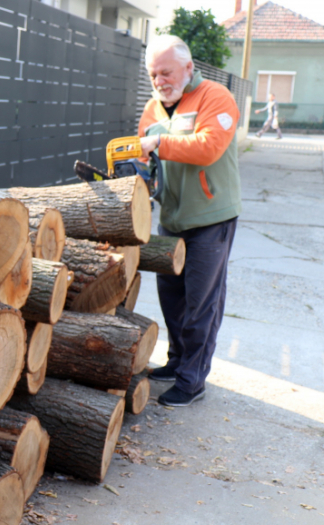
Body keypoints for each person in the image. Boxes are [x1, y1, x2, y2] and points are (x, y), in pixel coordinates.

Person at [137, 35, 241, 407]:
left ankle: (192, 380)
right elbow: (146, 160)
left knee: (201, 304)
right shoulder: (152, 109)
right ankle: (177, 360)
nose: (160, 80)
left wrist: (158, 144)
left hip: (211, 219)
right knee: (172, 300)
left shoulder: (216, 98)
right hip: (173, 217)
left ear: (188, 68)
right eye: (153, 74)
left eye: (166, 72)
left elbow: (209, 147)